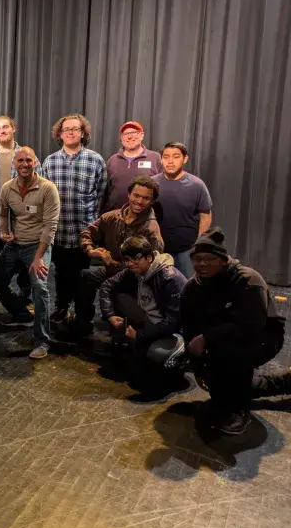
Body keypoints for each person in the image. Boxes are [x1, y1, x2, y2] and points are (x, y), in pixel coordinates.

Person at [182, 227, 285, 435]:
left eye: (209, 258)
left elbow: (251, 325)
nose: (202, 264)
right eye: (197, 259)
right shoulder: (191, 288)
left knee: (230, 357)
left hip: (262, 337)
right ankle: (283, 382)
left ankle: (239, 409)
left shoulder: (247, 280)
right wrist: (199, 368)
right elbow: (189, 330)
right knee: (219, 375)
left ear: (223, 259)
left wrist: (206, 339)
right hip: (218, 339)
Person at [98, 236, 187, 396]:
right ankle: (128, 344)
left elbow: (173, 322)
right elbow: (106, 286)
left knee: (157, 355)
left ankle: (177, 354)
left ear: (149, 257)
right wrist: (110, 315)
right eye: (127, 259)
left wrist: (140, 335)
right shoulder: (135, 271)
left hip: (175, 330)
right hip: (152, 320)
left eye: (136, 259)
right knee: (118, 295)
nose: (131, 264)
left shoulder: (168, 278)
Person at [76, 176, 164, 336]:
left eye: (146, 198)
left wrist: (113, 264)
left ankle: (123, 331)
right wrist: (90, 250)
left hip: (134, 282)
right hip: (111, 272)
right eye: (136, 195)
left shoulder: (151, 230)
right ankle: (82, 325)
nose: (139, 201)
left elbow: (147, 270)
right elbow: (87, 232)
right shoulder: (112, 217)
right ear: (129, 194)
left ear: (152, 201)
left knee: (119, 298)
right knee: (86, 276)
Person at [0, 147, 61, 358]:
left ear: (36, 163)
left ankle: (42, 341)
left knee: (40, 288)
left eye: (28, 160)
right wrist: (4, 231)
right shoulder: (7, 188)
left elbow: (50, 226)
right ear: (14, 163)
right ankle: (21, 314)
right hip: (14, 246)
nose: (24, 164)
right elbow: (3, 214)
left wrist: (39, 257)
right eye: (20, 160)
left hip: (37, 246)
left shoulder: (47, 188)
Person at [41, 114, 107, 326]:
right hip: (58, 230)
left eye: (75, 129)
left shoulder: (96, 160)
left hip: (83, 231)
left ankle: (82, 313)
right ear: (60, 134)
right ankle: (62, 307)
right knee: (60, 274)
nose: (70, 132)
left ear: (83, 133)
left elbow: (101, 195)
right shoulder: (50, 162)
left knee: (82, 276)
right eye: (66, 129)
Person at [0, 115, 39, 307]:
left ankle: (26, 303)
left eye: (6, 127)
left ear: (14, 129)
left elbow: (38, 190)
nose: (2, 131)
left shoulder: (27, 155)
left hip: (23, 226)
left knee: (25, 270)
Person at [152, 142, 213, 279]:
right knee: (158, 287)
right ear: (161, 159)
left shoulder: (197, 185)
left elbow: (205, 215)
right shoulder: (152, 184)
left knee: (186, 286)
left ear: (185, 159)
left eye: (176, 157)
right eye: (166, 157)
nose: (170, 161)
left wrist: (199, 242)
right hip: (158, 248)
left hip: (187, 248)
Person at [103, 122, 163, 212]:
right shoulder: (113, 160)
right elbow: (106, 190)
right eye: (126, 134)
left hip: (144, 217)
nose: (129, 137)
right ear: (121, 138)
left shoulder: (155, 158)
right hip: (116, 216)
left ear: (142, 135)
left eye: (133, 133)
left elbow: (162, 187)